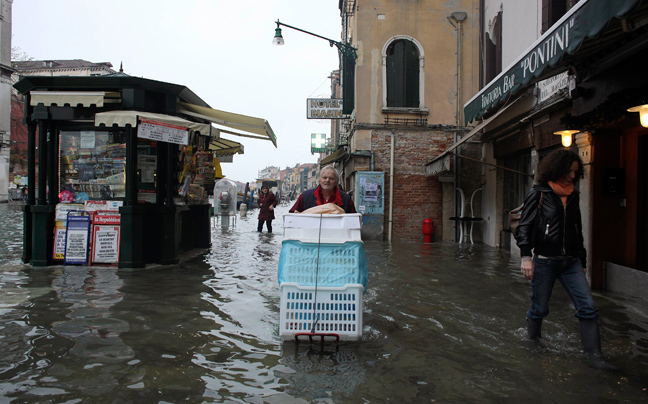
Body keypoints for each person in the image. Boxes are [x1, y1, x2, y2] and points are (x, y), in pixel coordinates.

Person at [516, 149, 615, 370]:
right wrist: (525, 257)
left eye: (575, 172)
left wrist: (583, 260)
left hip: (571, 262)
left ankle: (595, 356)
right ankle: (533, 344)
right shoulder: (539, 193)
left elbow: (577, 230)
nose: (572, 176)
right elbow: (525, 226)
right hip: (544, 260)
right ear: (557, 169)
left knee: (588, 307)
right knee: (539, 309)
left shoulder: (574, 196)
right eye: (569, 171)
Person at [289, 165, 357, 213]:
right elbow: (292, 216)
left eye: (331, 178)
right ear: (319, 180)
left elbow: (354, 222)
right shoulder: (305, 196)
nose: (327, 180)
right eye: (324, 178)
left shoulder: (346, 199)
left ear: (336, 181)